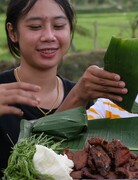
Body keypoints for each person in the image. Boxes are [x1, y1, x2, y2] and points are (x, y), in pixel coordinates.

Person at [0, 0, 93, 175]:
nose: (49, 36)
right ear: (13, 32)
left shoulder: (86, 98)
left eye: (58, 26)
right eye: (35, 27)